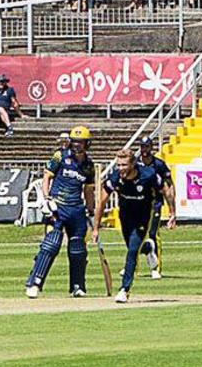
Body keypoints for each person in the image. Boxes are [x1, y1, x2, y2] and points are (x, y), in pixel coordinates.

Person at [25, 126, 96, 299]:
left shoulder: (88, 165)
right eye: (74, 141)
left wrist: (91, 211)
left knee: (78, 249)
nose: (77, 145)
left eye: (80, 142)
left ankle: (77, 286)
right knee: (51, 244)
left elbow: (88, 190)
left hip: (77, 210)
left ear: (87, 144)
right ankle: (35, 283)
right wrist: (46, 198)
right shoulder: (60, 156)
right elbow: (47, 176)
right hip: (58, 207)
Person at [107, 137, 171, 302]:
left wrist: (172, 211)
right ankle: (148, 249)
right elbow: (101, 199)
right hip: (125, 215)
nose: (120, 168)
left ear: (132, 164)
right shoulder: (116, 177)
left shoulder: (149, 172)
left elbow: (165, 188)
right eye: (118, 165)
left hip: (144, 213)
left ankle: (124, 289)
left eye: (124, 165)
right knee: (132, 246)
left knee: (132, 251)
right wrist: (94, 226)